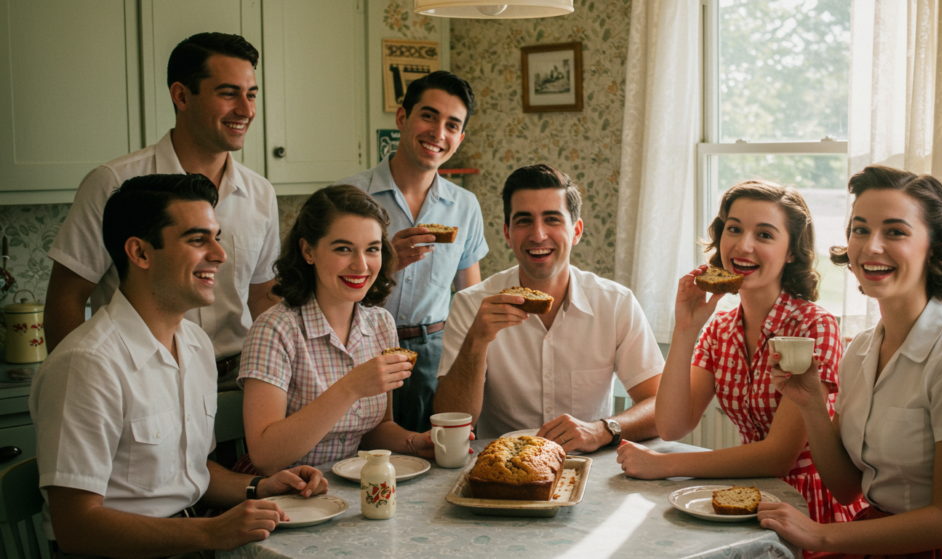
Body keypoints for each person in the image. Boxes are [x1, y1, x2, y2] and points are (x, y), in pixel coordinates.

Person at [30, 174, 326, 557]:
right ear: (140, 253)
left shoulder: (194, 344)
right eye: (198, 239)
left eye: (216, 237)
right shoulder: (86, 365)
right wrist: (210, 534)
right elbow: (75, 526)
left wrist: (258, 487)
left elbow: (188, 474)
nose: (219, 254)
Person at [757, 166, 942, 557]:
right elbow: (845, 488)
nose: (870, 247)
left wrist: (821, 535)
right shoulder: (859, 351)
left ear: (935, 247)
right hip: (874, 537)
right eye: (859, 229)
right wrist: (810, 402)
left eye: (895, 232)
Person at [615, 180, 867, 524]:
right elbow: (673, 426)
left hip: (808, 506)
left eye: (764, 235)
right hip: (746, 498)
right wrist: (685, 330)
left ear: (791, 251)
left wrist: (664, 465)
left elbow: (779, 456)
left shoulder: (814, 325)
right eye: (734, 229)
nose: (743, 245)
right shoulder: (720, 329)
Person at [45, 32, 280, 390]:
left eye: (251, 95)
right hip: (138, 380)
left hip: (240, 382)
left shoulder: (260, 193)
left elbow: (264, 297)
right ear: (181, 95)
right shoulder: (114, 183)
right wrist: (78, 385)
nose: (246, 111)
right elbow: (67, 296)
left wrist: (275, 379)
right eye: (228, 93)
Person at [434, 164, 664, 452]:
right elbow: (450, 423)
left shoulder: (616, 303)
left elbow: (661, 406)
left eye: (552, 219)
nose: (538, 234)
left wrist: (602, 430)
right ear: (507, 233)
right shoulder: (471, 305)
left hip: (588, 468)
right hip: (501, 472)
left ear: (576, 231)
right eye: (524, 221)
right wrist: (477, 340)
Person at [238, 185, 441, 474]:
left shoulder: (381, 324)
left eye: (372, 249)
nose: (360, 265)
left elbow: (375, 429)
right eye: (343, 249)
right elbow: (265, 456)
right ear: (308, 250)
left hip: (348, 490)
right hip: (282, 498)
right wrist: (351, 387)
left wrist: (414, 442)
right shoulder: (274, 329)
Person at [335, 71, 488, 433]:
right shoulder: (348, 197)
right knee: (360, 460)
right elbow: (321, 288)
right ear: (402, 118)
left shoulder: (465, 206)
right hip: (358, 347)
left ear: (460, 138)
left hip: (434, 354)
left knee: (432, 459)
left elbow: (469, 298)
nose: (438, 134)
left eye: (452, 125)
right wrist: (383, 263)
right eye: (428, 116)